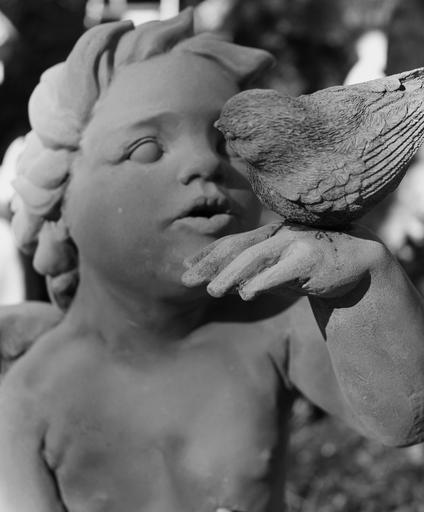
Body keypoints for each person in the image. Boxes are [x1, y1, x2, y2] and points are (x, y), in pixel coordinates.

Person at [1, 9, 424, 512]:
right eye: (146, 149)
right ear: (60, 203)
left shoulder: (271, 324)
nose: (205, 162)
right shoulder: (32, 395)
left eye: (227, 146)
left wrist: (362, 289)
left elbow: (406, 418)